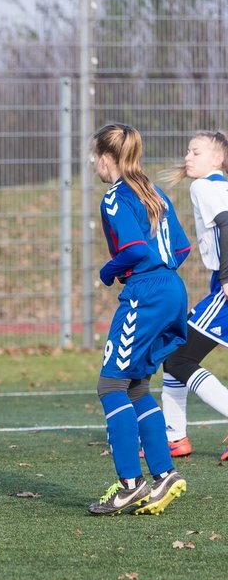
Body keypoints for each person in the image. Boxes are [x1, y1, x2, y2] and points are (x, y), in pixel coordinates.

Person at [88, 123, 191, 516]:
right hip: (173, 289)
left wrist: (108, 271)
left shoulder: (115, 197)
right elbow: (180, 247)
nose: (93, 164)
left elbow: (131, 250)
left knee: (110, 384)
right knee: (135, 387)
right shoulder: (154, 191)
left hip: (146, 293)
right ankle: (164, 474)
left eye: (94, 157)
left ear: (106, 158)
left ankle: (131, 484)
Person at [156, 131, 228, 463]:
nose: (188, 157)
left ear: (218, 159)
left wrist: (226, 277)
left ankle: (175, 438)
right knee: (175, 358)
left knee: (178, 357)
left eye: (196, 152)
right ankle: (175, 438)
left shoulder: (204, 186)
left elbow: (227, 224)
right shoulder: (218, 185)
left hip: (224, 283)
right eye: (187, 151)